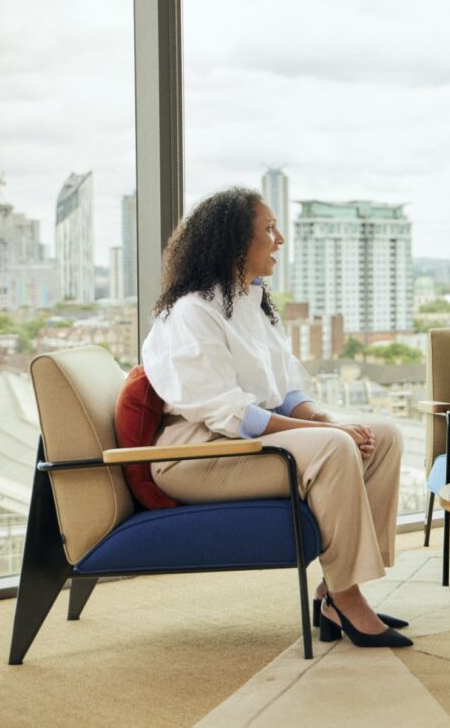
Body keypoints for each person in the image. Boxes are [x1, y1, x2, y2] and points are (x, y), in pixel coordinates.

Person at [141, 187, 412, 648]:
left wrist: (326, 418)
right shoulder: (191, 313)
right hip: (196, 456)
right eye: (268, 229)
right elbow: (232, 415)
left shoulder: (253, 302)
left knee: (381, 435)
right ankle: (346, 598)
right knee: (334, 445)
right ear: (233, 242)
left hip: (246, 442)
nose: (280, 238)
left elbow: (285, 392)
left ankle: (336, 589)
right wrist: (327, 433)